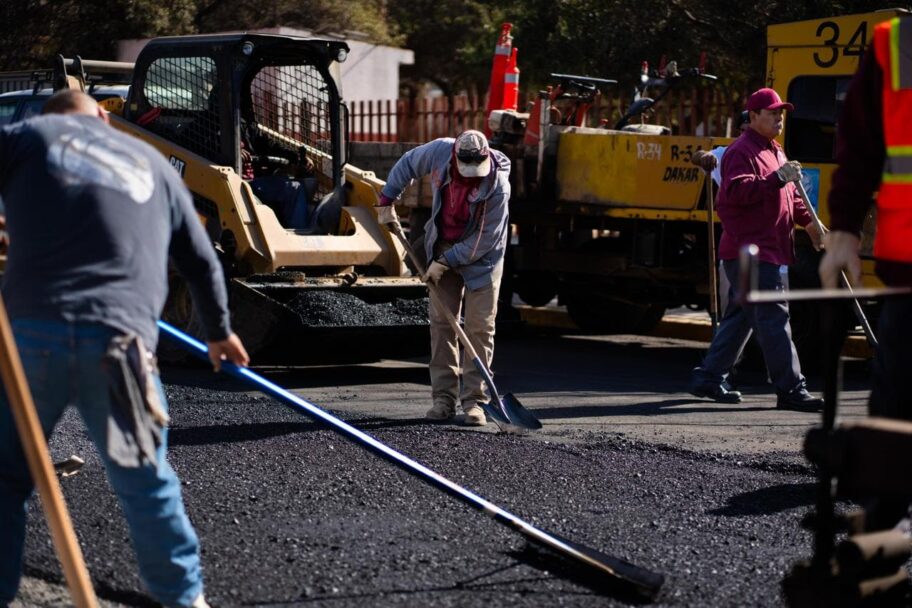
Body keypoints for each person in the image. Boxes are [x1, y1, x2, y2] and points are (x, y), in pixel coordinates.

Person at [0, 90, 249, 608]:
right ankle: (185, 601)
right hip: (122, 344)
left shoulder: (26, 138)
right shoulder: (155, 165)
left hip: (33, 340)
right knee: (145, 483)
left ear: (53, 118)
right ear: (101, 118)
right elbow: (202, 261)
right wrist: (219, 332)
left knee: (5, 481)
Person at [688, 87, 825, 411]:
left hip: (769, 250)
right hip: (751, 252)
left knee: (740, 319)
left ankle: (708, 377)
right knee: (775, 319)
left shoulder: (774, 150)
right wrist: (777, 178)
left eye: (781, 113)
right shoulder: (741, 151)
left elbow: (791, 196)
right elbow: (736, 193)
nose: (779, 118)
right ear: (753, 117)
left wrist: (810, 224)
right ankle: (792, 389)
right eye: (772, 113)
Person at [375, 130, 510, 426]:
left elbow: (484, 240)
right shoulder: (440, 152)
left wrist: (443, 263)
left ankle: (476, 402)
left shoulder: (497, 183)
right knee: (442, 324)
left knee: (479, 328)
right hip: (442, 245)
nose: (473, 176)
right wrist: (387, 198)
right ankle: (444, 400)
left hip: (483, 258)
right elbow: (408, 163)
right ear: (455, 158)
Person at [820, 16, 912, 422]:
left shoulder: (899, 44)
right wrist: (842, 231)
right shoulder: (896, 44)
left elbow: (857, 146)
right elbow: (860, 144)